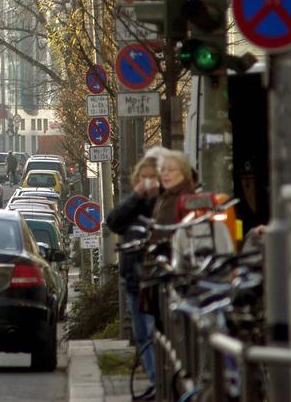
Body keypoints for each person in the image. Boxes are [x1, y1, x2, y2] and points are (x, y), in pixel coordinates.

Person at [106, 151, 162, 400]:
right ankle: (153, 380)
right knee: (140, 334)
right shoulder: (134, 204)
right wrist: (137, 196)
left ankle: (159, 382)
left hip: (153, 278)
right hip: (133, 279)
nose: (148, 182)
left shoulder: (162, 203)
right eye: (143, 177)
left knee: (152, 332)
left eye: (153, 177)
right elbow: (113, 222)